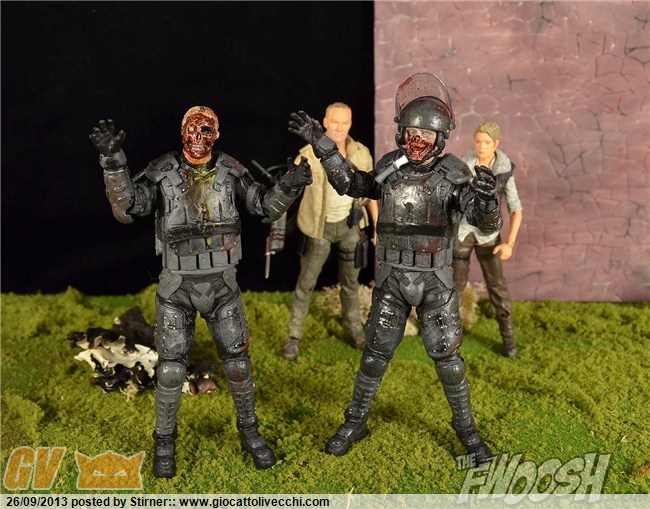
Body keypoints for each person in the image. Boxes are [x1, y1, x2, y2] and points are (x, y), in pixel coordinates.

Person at [288, 73, 501, 467]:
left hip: (436, 282)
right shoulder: (391, 167)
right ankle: (355, 422)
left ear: (441, 138)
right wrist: (321, 142)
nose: (417, 140)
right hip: (393, 279)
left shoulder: (455, 174)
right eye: (411, 132)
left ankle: (467, 433)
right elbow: (351, 183)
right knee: (374, 356)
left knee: (449, 362)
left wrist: (488, 200)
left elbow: (483, 222)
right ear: (401, 133)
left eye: (426, 134)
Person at [89, 106, 312, 478]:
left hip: (222, 284)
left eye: (206, 131)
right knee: (171, 368)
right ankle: (164, 441)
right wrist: (113, 160)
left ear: (216, 135)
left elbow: (264, 206)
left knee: (238, 363)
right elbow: (128, 206)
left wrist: (291, 184)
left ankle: (250, 433)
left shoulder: (230, 170)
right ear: (182, 132)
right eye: (192, 130)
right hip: (177, 286)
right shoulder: (163, 171)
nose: (198, 137)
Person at [283, 102, 378, 360]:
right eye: (334, 121)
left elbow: (371, 193)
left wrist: (376, 227)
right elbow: (288, 190)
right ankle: (294, 336)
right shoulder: (308, 154)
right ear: (325, 122)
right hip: (319, 228)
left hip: (350, 226)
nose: (339, 127)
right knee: (306, 284)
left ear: (350, 124)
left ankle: (354, 331)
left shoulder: (361, 153)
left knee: (351, 284)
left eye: (344, 122)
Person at [453, 122, 523, 357]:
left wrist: (509, 243)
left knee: (497, 287)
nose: (481, 146)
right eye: (478, 141)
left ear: (496, 143)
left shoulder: (503, 170)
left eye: (487, 142)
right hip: (463, 232)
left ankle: (508, 338)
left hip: (489, 235)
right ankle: (449, 340)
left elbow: (516, 209)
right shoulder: (464, 165)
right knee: (453, 288)